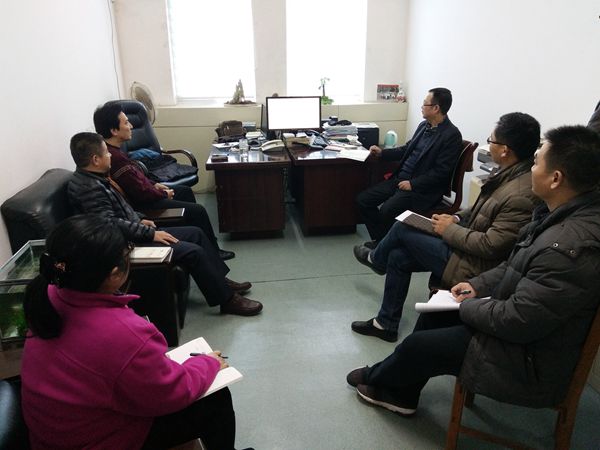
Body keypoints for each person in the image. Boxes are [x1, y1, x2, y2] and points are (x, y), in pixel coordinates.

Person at [346, 125, 600, 417]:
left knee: (419, 344)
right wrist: (477, 285)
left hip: (528, 357)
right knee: (432, 313)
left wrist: (467, 305)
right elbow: (513, 265)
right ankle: (401, 393)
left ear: (556, 179)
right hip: (512, 315)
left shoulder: (566, 247)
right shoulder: (554, 214)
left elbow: (518, 320)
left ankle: (378, 377)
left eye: (537, 163)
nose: (531, 169)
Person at [20, 215, 252, 449]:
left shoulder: (48, 295)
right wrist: (207, 363)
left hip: (56, 434)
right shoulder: (123, 333)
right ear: (114, 274)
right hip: (99, 440)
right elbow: (171, 393)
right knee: (215, 398)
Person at [351, 112, 541, 342]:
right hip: (465, 246)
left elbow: (491, 246)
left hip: (475, 265)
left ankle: (376, 259)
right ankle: (386, 324)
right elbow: (478, 209)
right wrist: (456, 219)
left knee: (402, 228)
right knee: (399, 256)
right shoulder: (507, 174)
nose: (488, 145)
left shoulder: (520, 194)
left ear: (504, 150)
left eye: (491, 141)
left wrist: (449, 230)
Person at [67, 132, 262, 316]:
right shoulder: (89, 188)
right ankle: (226, 300)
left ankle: (221, 282)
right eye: (106, 153)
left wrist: (139, 218)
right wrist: (150, 234)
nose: (110, 155)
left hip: (134, 231)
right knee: (193, 252)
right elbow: (110, 225)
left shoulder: (95, 179)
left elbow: (121, 209)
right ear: (95, 159)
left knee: (196, 233)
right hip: (126, 244)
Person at [93, 102, 235, 261]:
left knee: (185, 191)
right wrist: (163, 194)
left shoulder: (115, 151)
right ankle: (213, 252)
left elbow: (135, 178)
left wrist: (154, 184)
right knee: (198, 211)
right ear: (114, 130)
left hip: (146, 195)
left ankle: (205, 243)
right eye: (126, 123)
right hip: (143, 204)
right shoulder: (115, 158)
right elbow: (140, 193)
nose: (131, 126)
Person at [356, 87, 463, 245]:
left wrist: (413, 184)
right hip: (400, 180)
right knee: (363, 200)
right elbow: (406, 149)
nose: (421, 107)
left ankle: (381, 244)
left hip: (421, 189)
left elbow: (441, 172)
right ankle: (381, 241)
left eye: (424, 104)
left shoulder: (451, 135)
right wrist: (382, 153)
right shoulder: (424, 126)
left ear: (436, 108)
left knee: (387, 210)